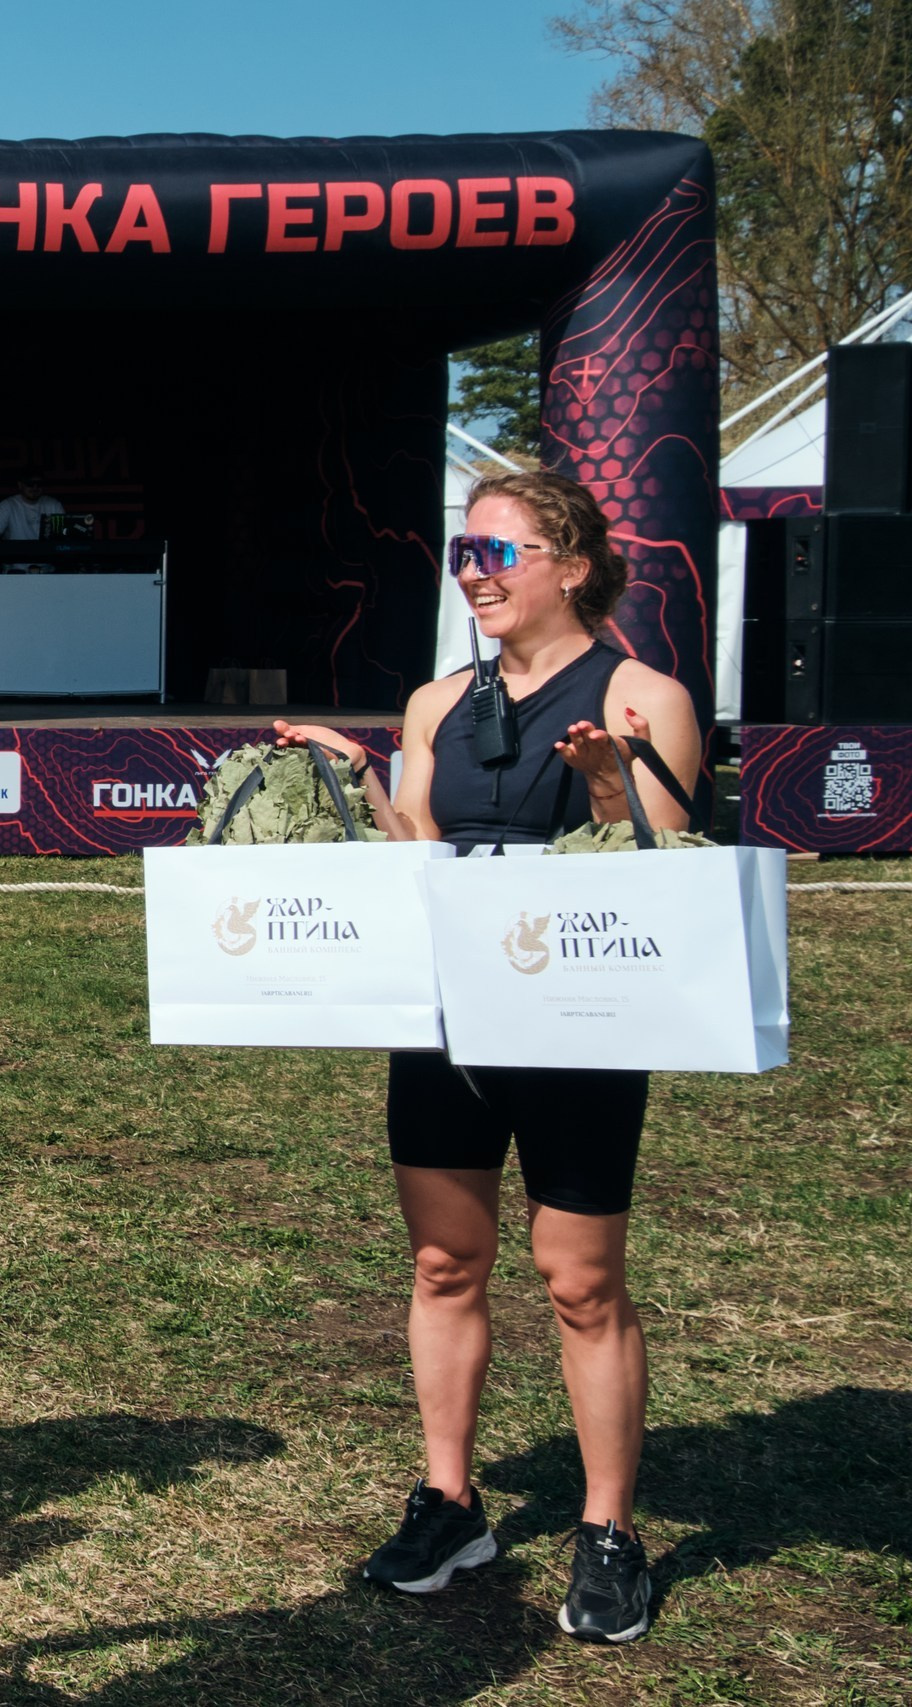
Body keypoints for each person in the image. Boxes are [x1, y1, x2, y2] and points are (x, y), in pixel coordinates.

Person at [275, 470, 705, 1646]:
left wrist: (615, 789)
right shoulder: (432, 699)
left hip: (580, 1020)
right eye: (464, 551)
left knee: (580, 1280)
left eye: (498, 551)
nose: (474, 571)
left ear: (571, 564)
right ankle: (449, 1502)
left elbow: (673, 872)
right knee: (442, 1264)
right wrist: (360, 781)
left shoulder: (643, 695)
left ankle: (608, 1528)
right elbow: (417, 838)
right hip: (448, 1013)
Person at [0, 472, 64, 548]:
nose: (35, 487)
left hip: (47, 561)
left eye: (39, 484)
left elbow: (64, 537)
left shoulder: (54, 505)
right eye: (30, 484)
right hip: (16, 561)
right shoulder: (6, 506)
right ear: (20, 485)